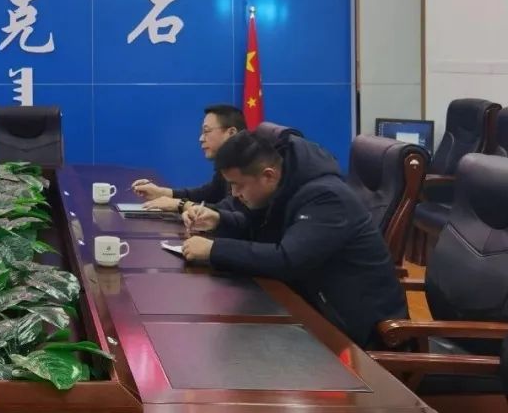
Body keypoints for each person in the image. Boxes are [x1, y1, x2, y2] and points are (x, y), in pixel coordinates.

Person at [179, 130, 408, 347]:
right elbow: (264, 232)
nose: (234, 194)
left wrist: (214, 250)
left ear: (268, 175)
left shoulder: (326, 198)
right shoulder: (288, 186)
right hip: (315, 307)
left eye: (238, 185)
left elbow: (287, 260)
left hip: (355, 332)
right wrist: (219, 220)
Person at [131, 104, 245, 211]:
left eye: (206, 131)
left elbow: (231, 210)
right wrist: (161, 193)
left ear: (231, 133)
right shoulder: (228, 162)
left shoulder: (247, 165)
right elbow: (209, 193)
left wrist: (180, 205)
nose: (201, 138)